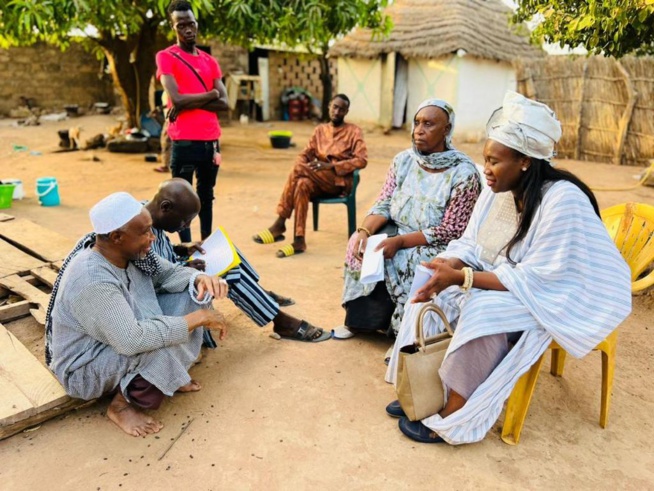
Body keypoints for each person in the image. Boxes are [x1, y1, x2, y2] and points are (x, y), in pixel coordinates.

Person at [384, 91, 632, 445]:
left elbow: (539, 278)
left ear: (526, 161)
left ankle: (456, 411)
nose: (486, 169)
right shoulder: (496, 187)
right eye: (485, 159)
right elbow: (472, 243)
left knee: (484, 311)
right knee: (433, 284)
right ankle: (425, 391)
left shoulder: (562, 200)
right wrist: (449, 264)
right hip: (519, 281)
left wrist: (465, 277)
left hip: (563, 295)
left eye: (495, 161)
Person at [47, 193, 229, 437]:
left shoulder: (133, 253)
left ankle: (168, 374)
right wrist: (197, 319)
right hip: (87, 366)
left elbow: (168, 275)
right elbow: (131, 340)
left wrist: (200, 278)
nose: (152, 238)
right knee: (157, 343)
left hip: (128, 332)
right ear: (116, 237)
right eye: (145, 232)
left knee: (194, 294)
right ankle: (121, 406)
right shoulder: (92, 279)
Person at [334, 99, 481, 339]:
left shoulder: (463, 173)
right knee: (360, 246)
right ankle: (359, 323)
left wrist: (401, 242)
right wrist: (363, 231)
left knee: (408, 257)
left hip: (437, 242)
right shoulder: (403, 161)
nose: (419, 130)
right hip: (398, 228)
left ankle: (404, 335)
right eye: (417, 123)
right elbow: (384, 202)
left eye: (429, 124)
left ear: (446, 130)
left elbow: (452, 230)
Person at [144, 178, 330, 342]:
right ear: (166, 207)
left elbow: (161, 254)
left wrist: (181, 248)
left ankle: (259, 294)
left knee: (225, 251)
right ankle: (281, 322)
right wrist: (186, 267)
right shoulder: (140, 231)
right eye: (185, 221)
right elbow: (155, 277)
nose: (187, 226)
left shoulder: (150, 214)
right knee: (231, 274)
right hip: (164, 294)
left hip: (175, 271)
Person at [252, 94, 367, 258]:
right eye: (335, 107)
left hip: (338, 182)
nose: (337, 111)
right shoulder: (320, 131)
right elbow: (304, 154)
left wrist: (332, 166)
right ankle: (299, 240)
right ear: (329, 106)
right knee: (302, 184)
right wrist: (306, 166)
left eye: (342, 109)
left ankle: (280, 222)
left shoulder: (354, 131)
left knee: (299, 169)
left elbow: (362, 160)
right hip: (316, 180)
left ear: (346, 111)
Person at [156, 0, 228, 242]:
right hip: (184, 142)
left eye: (191, 24)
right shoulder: (166, 57)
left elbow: (225, 104)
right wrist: (211, 94)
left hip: (210, 141)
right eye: (181, 25)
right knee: (179, 199)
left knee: (206, 196)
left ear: (197, 24)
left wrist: (186, 103)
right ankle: (187, 247)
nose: (188, 29)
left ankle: (207, 243)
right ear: (173, 27)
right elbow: (175, 97)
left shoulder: (210, 61)